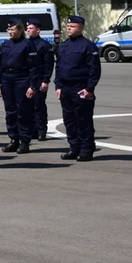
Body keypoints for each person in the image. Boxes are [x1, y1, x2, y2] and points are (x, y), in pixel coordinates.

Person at [55, 15, 101, 162]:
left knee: (83, 120)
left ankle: (86, 149)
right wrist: (58, 86)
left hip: (81, 88)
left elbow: (94, 69)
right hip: (65, 88)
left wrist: (89, 88)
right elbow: (59, 67)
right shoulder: (63, 45)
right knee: (69, 120)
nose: (69, 28)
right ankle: (74, 148)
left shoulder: (88, 46)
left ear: (80, 28)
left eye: (72, 26)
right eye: (68, 26)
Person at [0, 18, 38, 154]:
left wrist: (32, 85)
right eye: (8, 29)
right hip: (7, 79)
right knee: (10, 111)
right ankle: (14, 139)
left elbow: (34, 67)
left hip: (22, 79)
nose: (10, 32)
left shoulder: (27, 45)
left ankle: (25, 141)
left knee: (23, 111)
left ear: (20, 30)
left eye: (13, 29)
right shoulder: (5, 45)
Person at [26, 19, 55, 141]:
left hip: (39, 78)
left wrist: (45, 80)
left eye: (31, 28)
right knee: (27, 106)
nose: (28, 30)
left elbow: (49, 64)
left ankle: (41, 130)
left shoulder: (44, 45)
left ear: (38, 30)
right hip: (26, 79)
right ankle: (31, 130)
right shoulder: (25, 44)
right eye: (27, 28)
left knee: (38, 105)